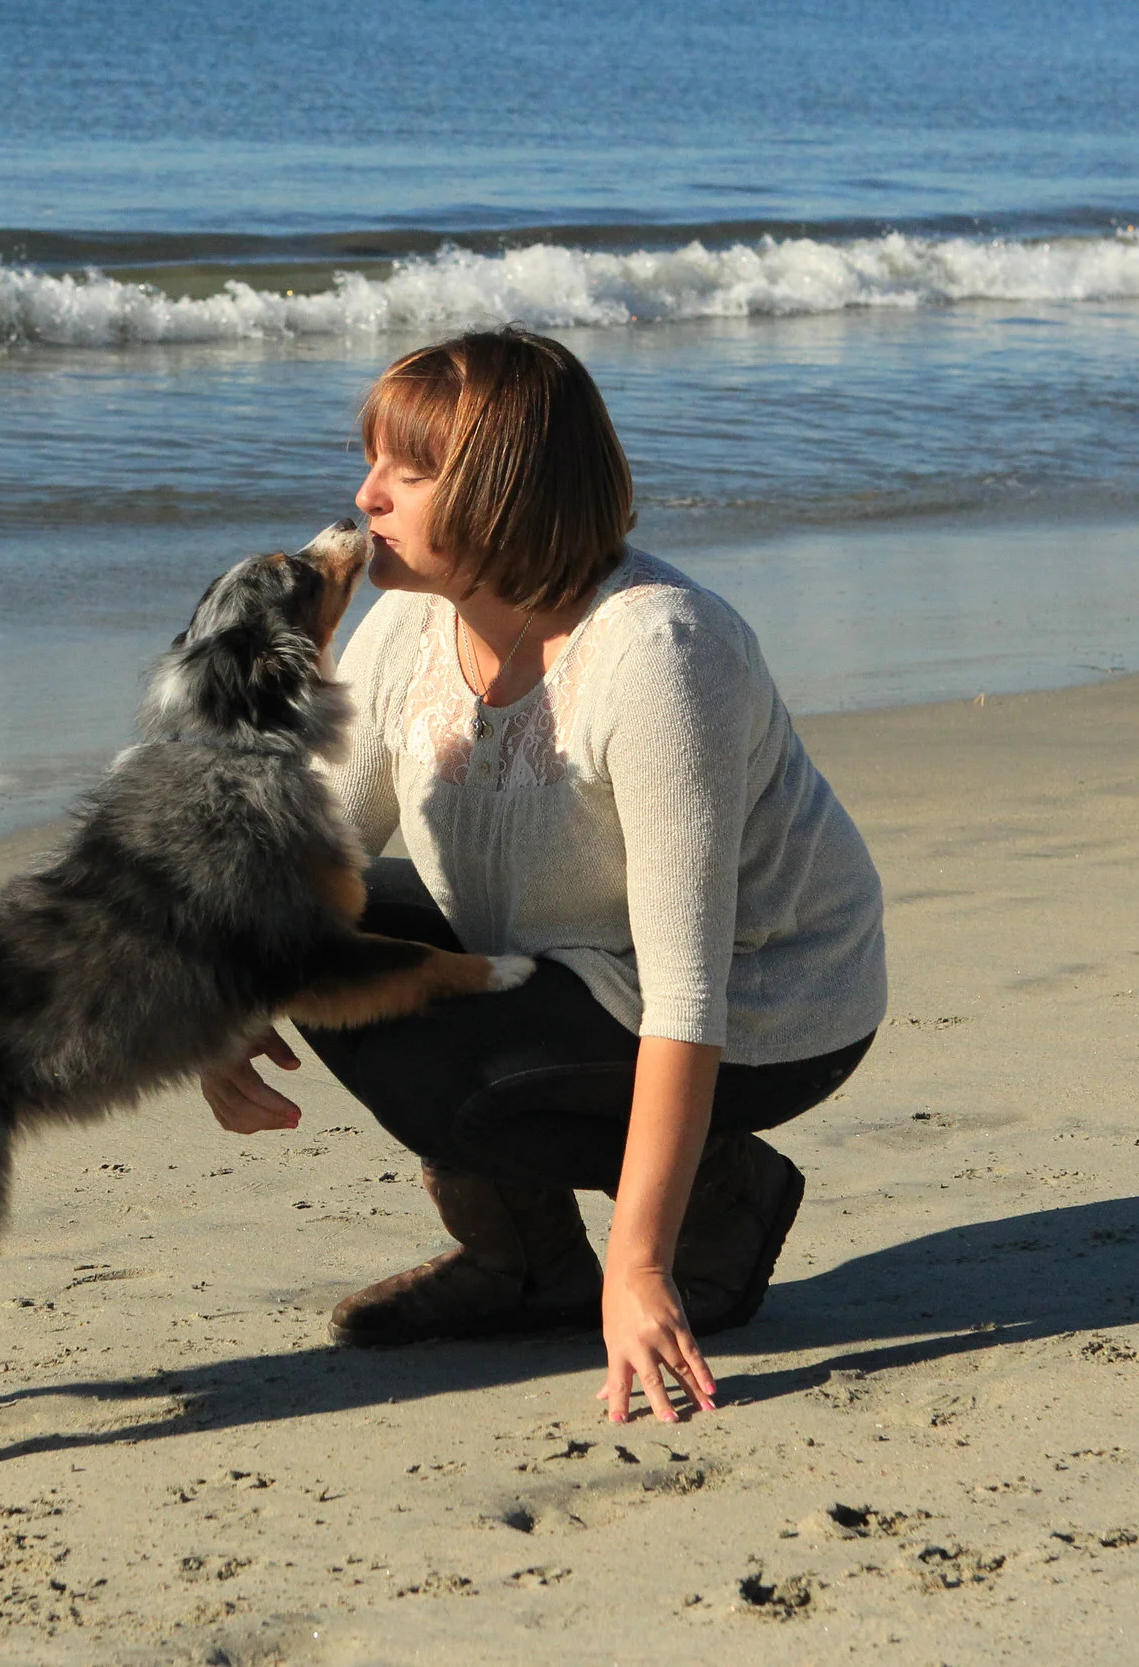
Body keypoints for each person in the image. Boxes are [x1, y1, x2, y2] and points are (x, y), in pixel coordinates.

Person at [200, 327, 886, 1424]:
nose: (367, 496)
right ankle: (520, 1263)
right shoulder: (409, 620)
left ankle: (714, 1199)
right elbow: (306, 857)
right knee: (292, 931)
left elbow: (685, 994)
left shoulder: (658, 656)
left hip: (768, 998)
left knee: (453, 1074)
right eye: (368, 460)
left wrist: (640, 1266)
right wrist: (229, 1002)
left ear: (510, 493)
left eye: (408, 473)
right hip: (557, 952)